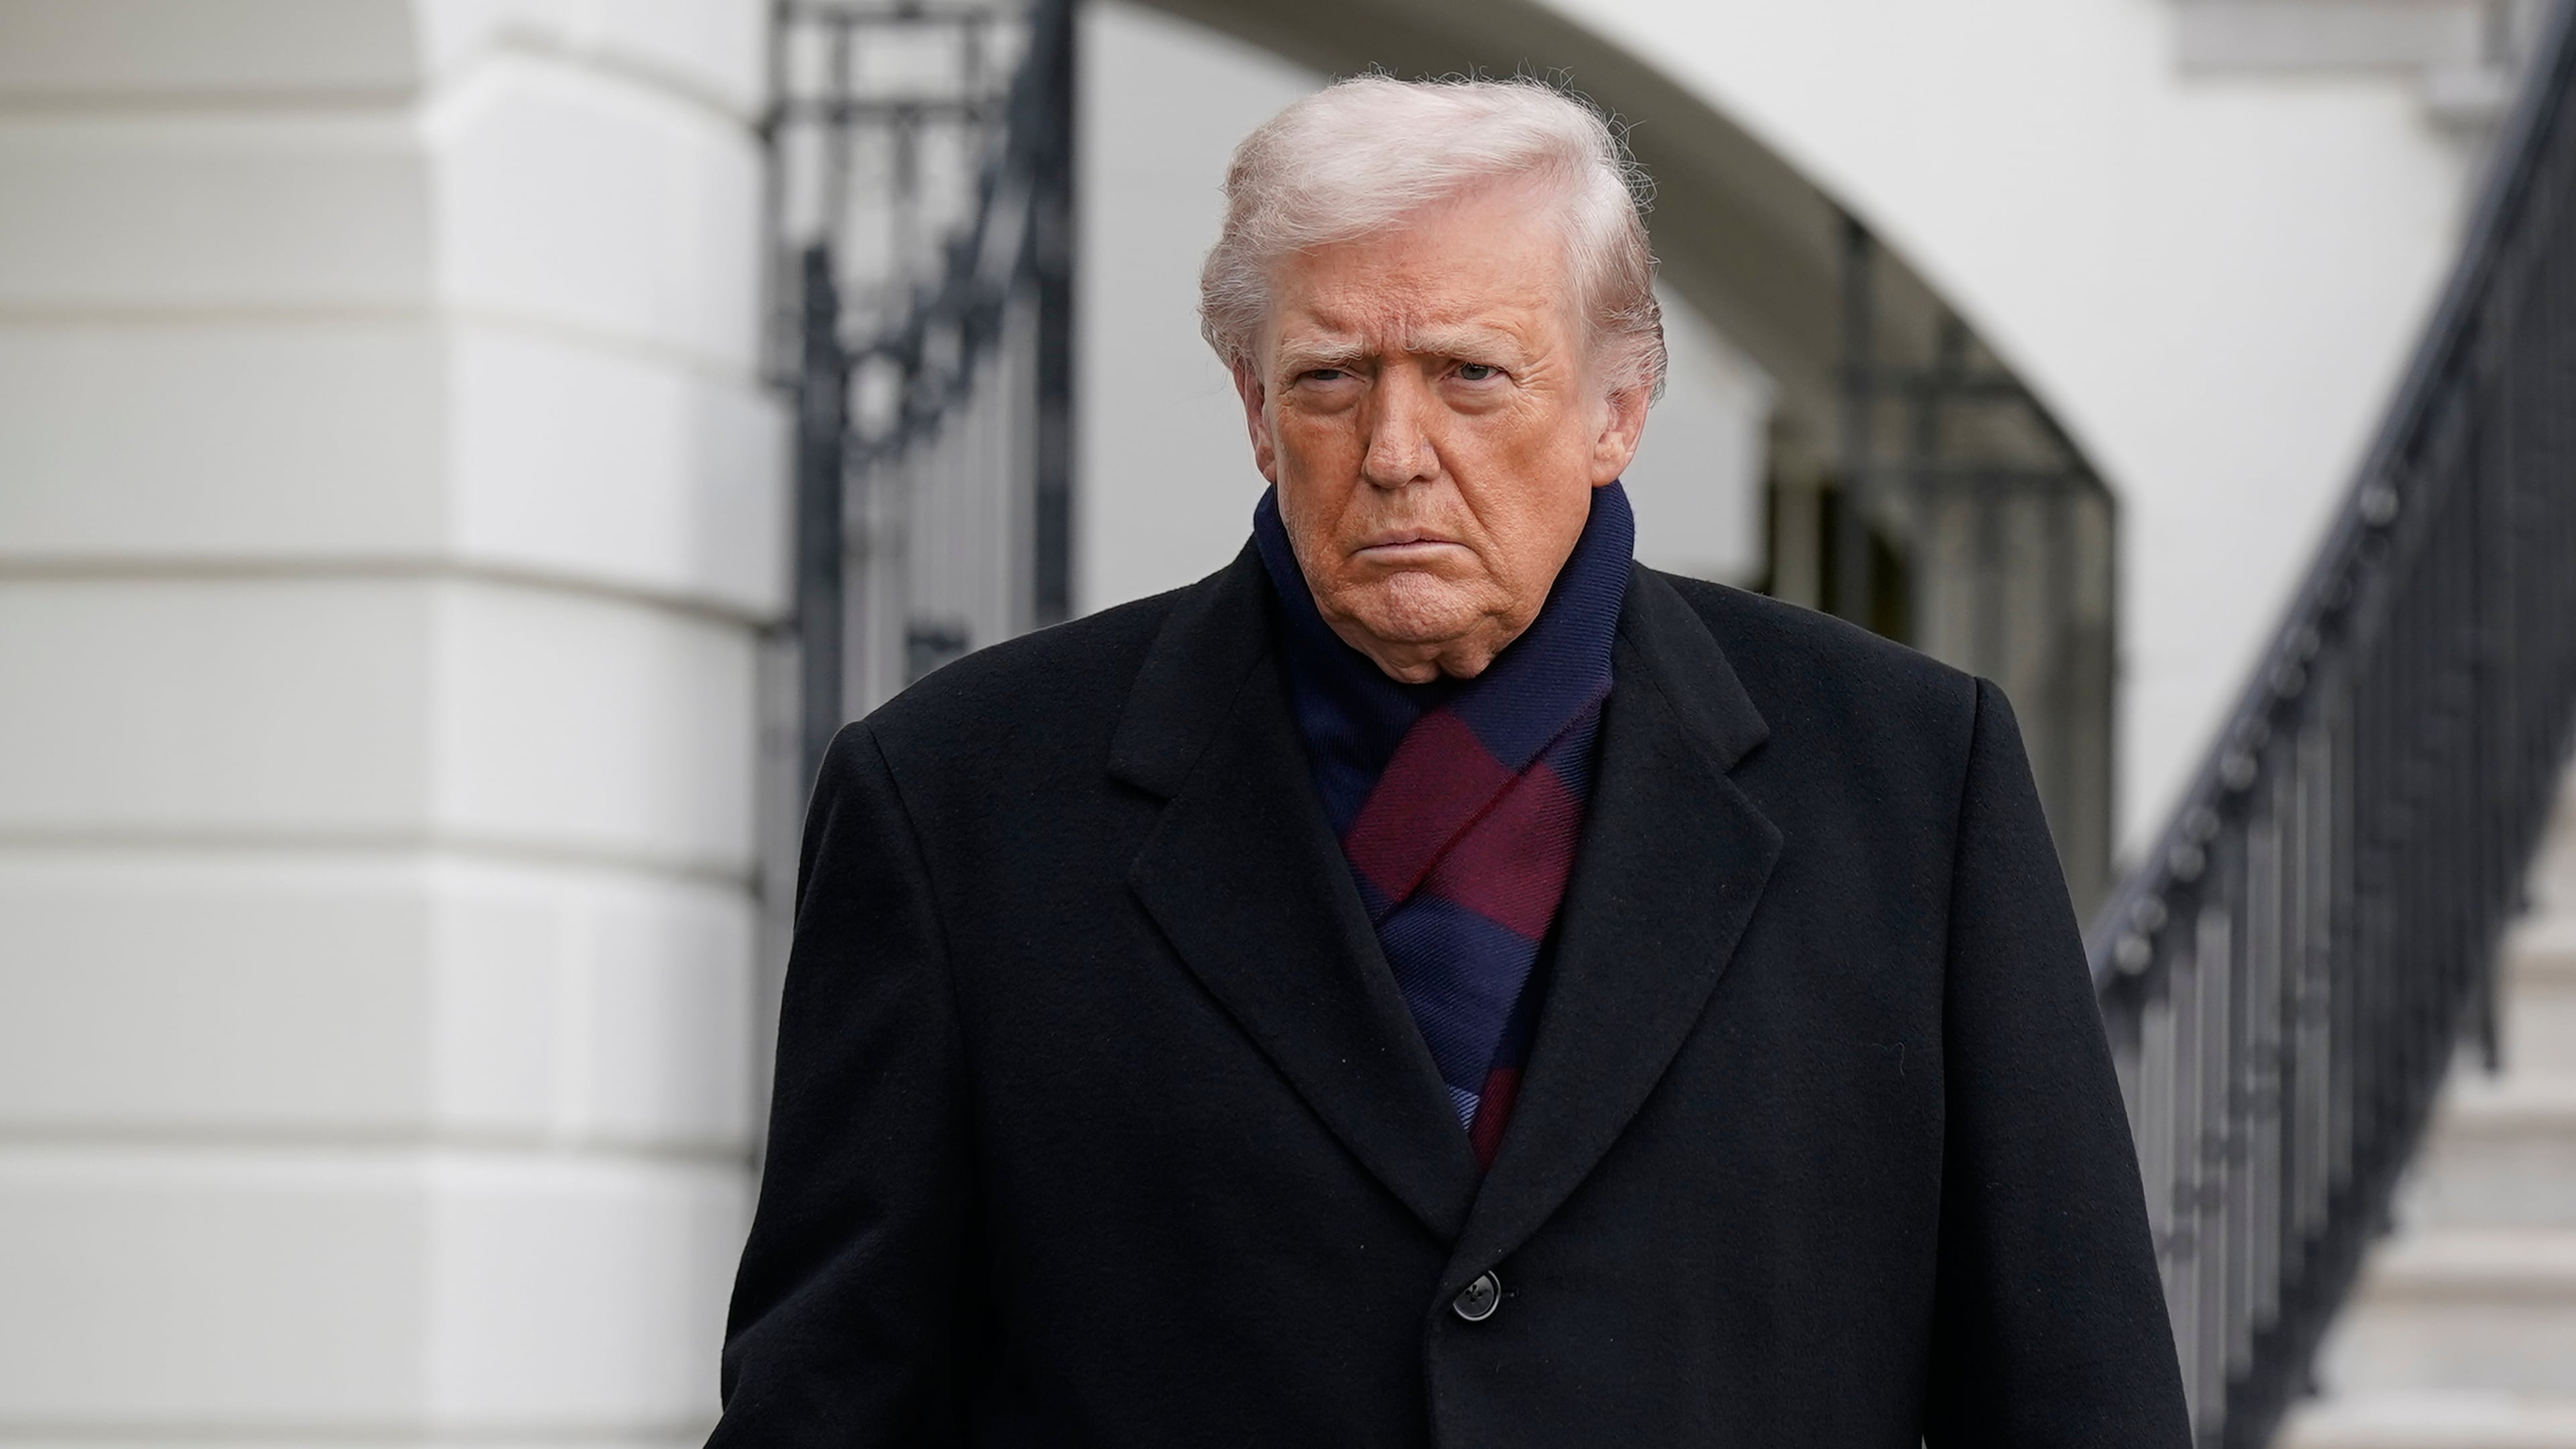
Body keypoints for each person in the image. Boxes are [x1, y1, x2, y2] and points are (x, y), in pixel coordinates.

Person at [710, 74, 2189, 1447]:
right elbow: (831, 1411)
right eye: (1333, 379)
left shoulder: (1915, 785)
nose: (1398, 449)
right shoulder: (959, 804)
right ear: (1252, 408)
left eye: (1472, 374)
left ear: (1619, 407)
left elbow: (2077, 1405)